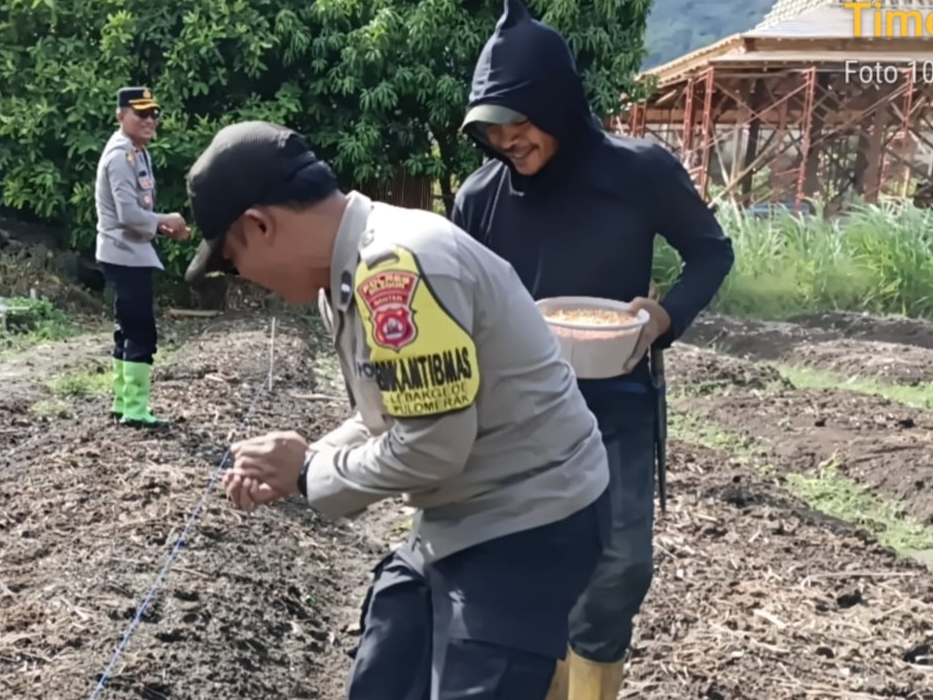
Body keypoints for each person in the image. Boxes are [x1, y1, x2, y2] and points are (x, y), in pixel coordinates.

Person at [181, 120, 611, 699]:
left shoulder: (396, 266)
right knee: (383, 671)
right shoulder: (345, 274)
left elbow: (432, 446)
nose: (247, 281)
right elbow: (395, 413)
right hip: (464, 512)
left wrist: (307, 473)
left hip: (530, 519)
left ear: (260, 226)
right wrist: (305, 461)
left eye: (233, 262)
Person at [451, 1, 735, 698]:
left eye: (518, 121)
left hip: (616, 402)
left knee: (621, 564)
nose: (506, 140)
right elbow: (459, 302)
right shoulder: (478, 199)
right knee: (522, 566)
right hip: (516, 412)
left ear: (557, 102)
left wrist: (665, 316)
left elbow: (710, 251)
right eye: (491, 128)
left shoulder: (637, 172)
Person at [94, 86, 189, 427]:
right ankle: (135, 410)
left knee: (127, 327)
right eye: (142, 114)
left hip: (129, 251)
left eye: (154, 114)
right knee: (141, 332)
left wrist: (160, 228)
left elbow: (138, 213)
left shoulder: (137, 152)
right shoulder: (121, 156)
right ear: (121, 115)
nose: (150, 120)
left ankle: (123, 403)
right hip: (124, 254)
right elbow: (128, 215)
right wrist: (167, 219)